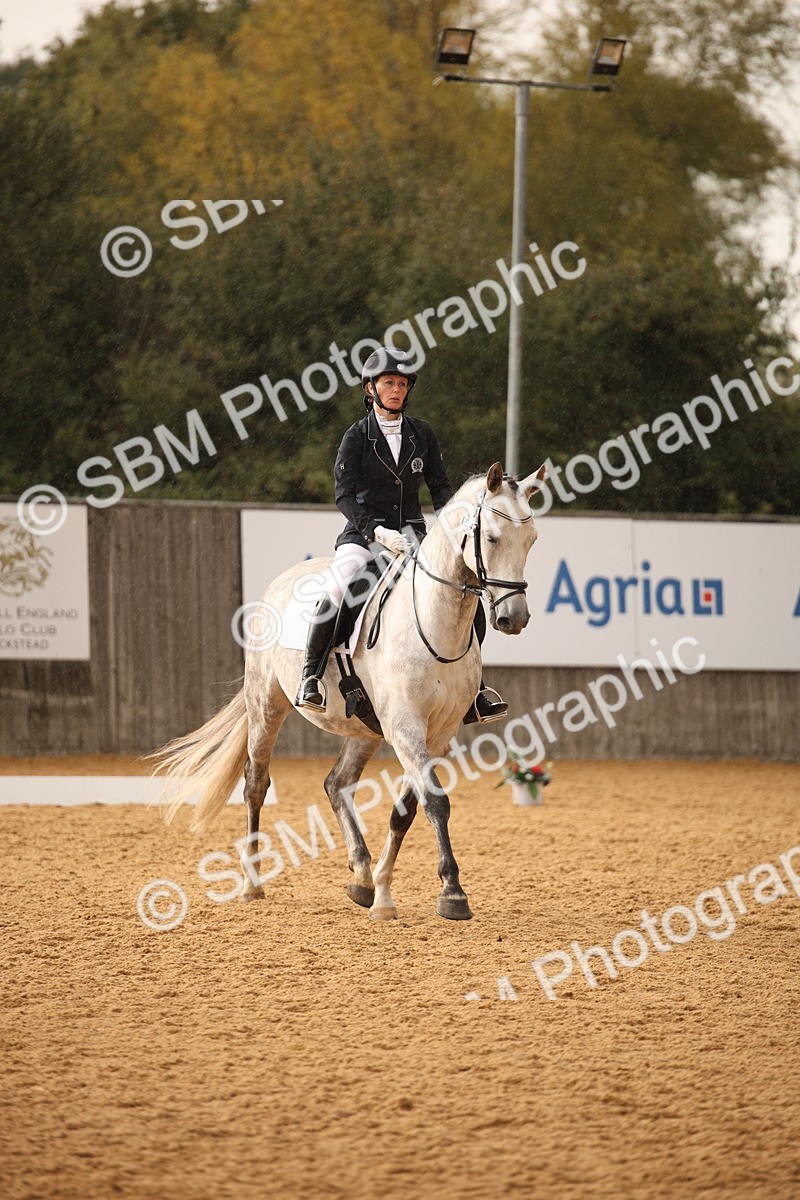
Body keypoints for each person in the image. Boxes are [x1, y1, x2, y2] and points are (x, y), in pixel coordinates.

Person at [295, 345, 508, 724]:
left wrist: (453, 523)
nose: (396, 389)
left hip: (414, 536)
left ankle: (474, 691)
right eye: (389, 382)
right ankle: (310, 677)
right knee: (340, 586)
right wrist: (375, 532)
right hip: (363, 535)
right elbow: (344, 496)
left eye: (402, 383)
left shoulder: (421, 434)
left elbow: (440, 488)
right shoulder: (357, 437)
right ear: (370, 388)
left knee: (466, 593)